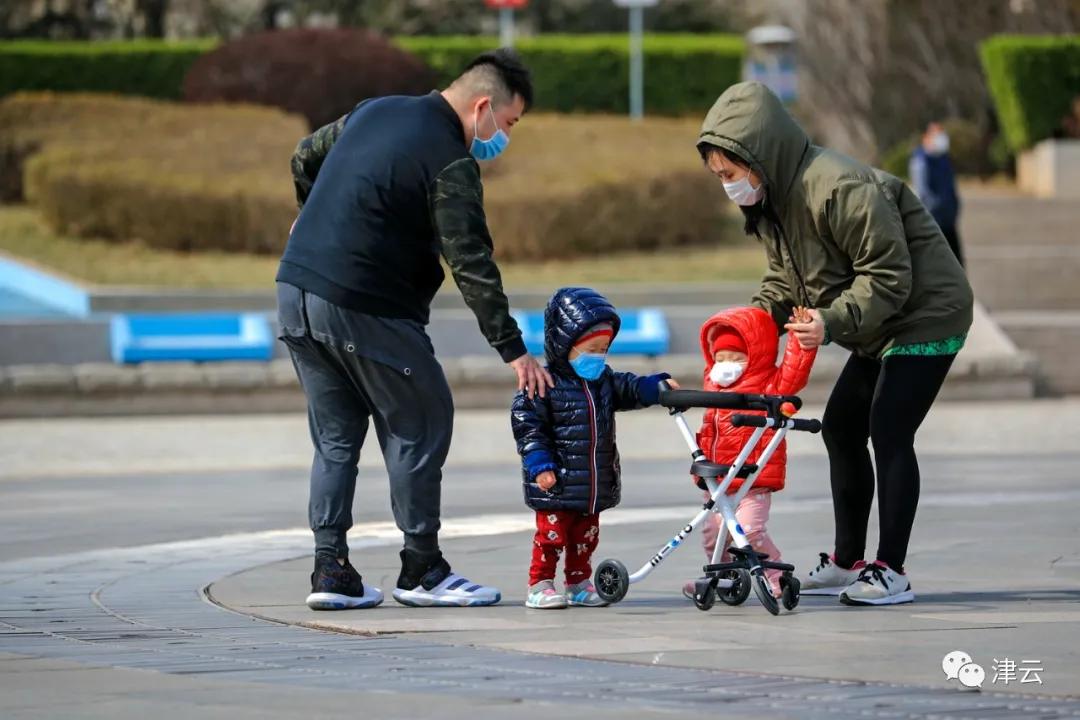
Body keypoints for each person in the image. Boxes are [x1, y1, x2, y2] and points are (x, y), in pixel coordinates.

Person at [277, 48, 553, 611]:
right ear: (483, 107)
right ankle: (422, 569)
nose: (503, 137)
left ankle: (331, 570)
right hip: (364, 302)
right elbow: (470, 259)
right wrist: (513, 349)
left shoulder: (374, 111)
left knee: (335, 438)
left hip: (296, 291)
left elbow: (304, 154)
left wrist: (312, 215)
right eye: (508, 123)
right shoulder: (449, 158)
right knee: (422, 417)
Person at [697, 82, 973, 606]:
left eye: (729, 174)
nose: (727, 186)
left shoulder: (841, 188)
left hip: (926, 313)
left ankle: (890, 571)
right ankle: (848, 561)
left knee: (888, 427)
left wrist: (829, 320)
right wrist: (746, 330)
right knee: (842, 428)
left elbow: (889, 276)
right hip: (875, 323)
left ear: (759, 155)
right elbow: (784, 281)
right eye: (719, 178)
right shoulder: (775, 200)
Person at [511, 287, 679, 609]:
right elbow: (528, 427)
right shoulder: (544, 383)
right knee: (551, 537)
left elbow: (631, 388)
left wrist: (655, 386)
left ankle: (578, 583)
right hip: (556, 481)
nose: (598, 356)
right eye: (591, 349)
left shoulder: (603, 380)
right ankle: (540, 584)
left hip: (591, 483)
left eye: (603, 349)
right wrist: (539, 464)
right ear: (565, 344)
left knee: (585, 538)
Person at [681, 305, 816, 600]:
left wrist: (799, 339)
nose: (726, 365)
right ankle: (721, 577)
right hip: (718, 478)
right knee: (713, 535)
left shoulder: (768, 384)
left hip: (753, 477)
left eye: (736, 358)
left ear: (754, 357)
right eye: (720, 358)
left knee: (750, 531)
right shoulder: (713, 382)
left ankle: (776, 576)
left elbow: (794, 372)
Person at [909, 121, 963, 266]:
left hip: (949, 222)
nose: (941, 138)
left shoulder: (943, 158)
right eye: (936, 134)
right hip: (934, 223)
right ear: (926, 137)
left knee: (957, 265)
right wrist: (939, 210)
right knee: (938, 266)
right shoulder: (921, 162)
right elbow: (924, 194)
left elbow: (951, 188)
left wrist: (954, 207)